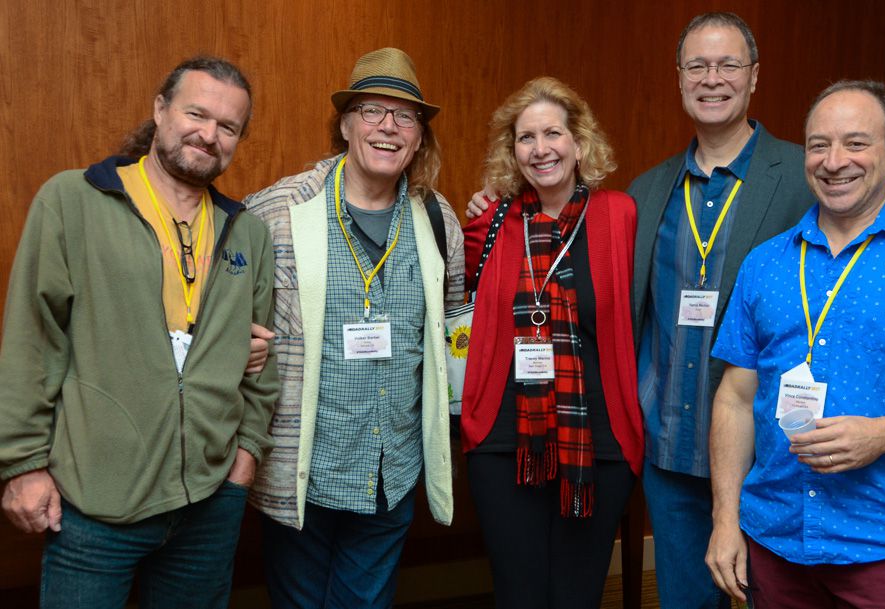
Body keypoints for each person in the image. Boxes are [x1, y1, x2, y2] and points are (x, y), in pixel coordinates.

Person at [706, 80, 885, 609]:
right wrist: (725, 519)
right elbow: (734, 398)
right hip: (775, 540)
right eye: (819, 145)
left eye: (856, 143)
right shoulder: (765, 263)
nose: (834, 161)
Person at [0, 56, 278, 609]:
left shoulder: (247, 233)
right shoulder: (74, 201)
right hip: (93, 507)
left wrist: (246, 458)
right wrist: (23, 464)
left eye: (228, 126)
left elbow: (262, 359)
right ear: (160, 109)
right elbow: (33, 341)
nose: (209, 134)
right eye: (196, 114)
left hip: (208, 505)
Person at [243, 47, 463, 609]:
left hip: (391, 470)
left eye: (405, 116)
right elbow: (229, 316)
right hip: (301, 472)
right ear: (344, 125)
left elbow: (453, 329)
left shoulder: (438, 219)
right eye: (371, 110)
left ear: (419, 137)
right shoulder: (275, 212)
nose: (388, 126)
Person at [627, 13, 815, 608]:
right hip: (670, 451)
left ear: (754, 77)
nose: (712, 79)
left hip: (772, 457)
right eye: (698, 66)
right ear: (680, 78)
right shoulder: (647, 191)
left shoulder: (805, 179)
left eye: (728, 65)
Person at [461, 76, 644, 609]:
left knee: (576, 596)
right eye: (526, 137)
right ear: (512, 151)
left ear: (579, 144)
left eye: (553, 134)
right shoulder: (489, 223)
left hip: (598, 442)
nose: (540, 149)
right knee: (517, 594)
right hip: (504, 442)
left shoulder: (620, 216)